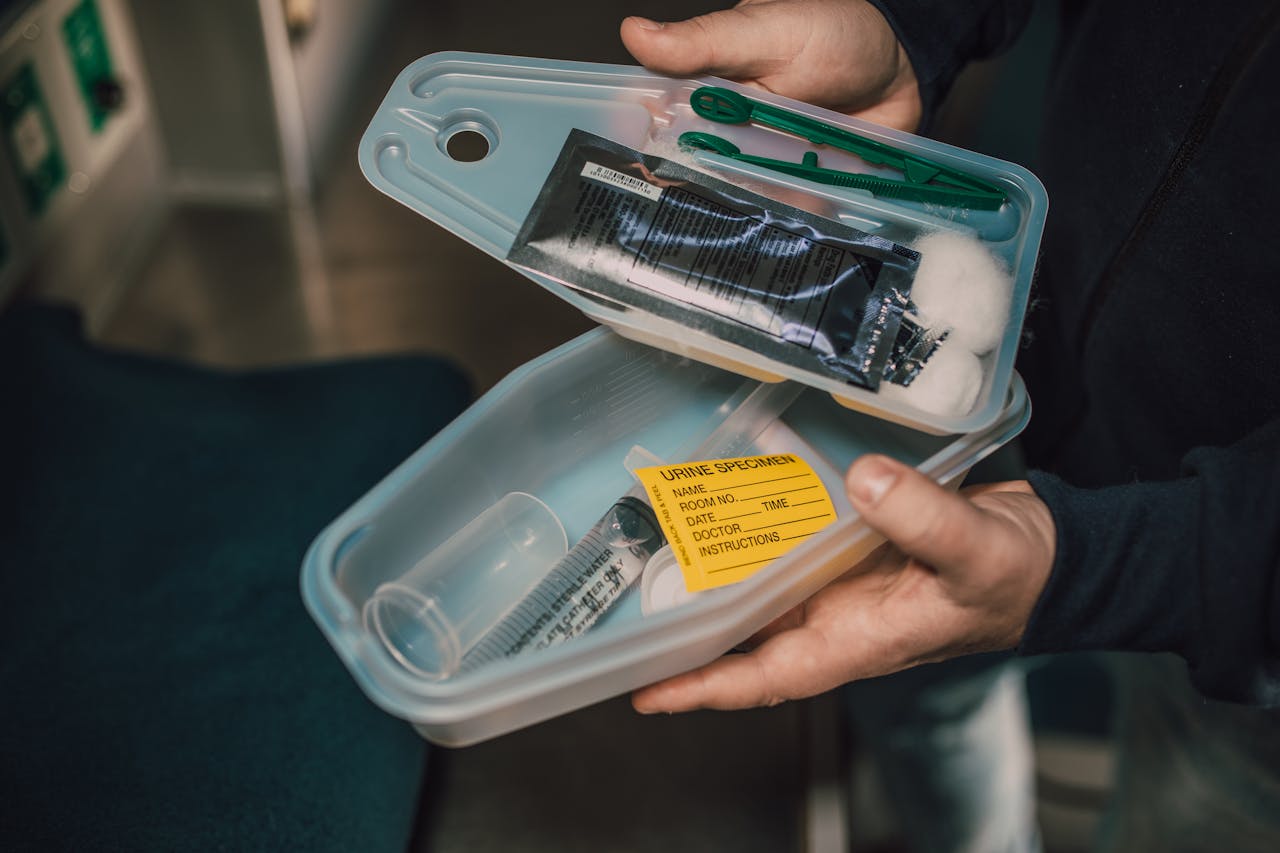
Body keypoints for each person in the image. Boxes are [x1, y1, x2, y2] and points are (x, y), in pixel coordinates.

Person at [619, 1, 1280, 849]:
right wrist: (908, 25)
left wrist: (1152, 569)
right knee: (914, 683)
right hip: (1024, 356)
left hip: (1246, 615)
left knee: (1194, 802)